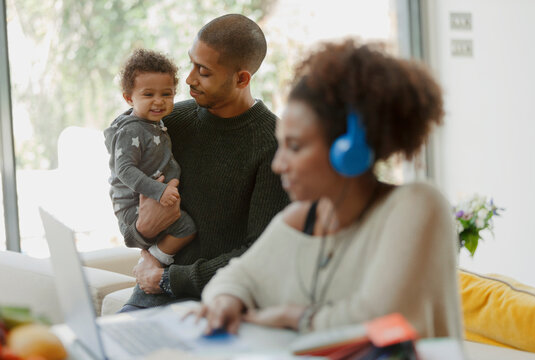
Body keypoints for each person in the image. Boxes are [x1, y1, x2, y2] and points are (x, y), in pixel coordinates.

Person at [199, 40, 463, 339]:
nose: (279, 164)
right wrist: (227, 300)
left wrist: (292, 317)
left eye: (295, 147)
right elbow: (234, 278)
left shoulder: (417, 205)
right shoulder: (303, 217)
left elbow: (381, 321)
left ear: (348, 150)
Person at [119, 14, 290, 311]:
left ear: (241, 78)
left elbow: (262, 253)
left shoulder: (275, 144)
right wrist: (141, 233)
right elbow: (122, 184)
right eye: (191, 63)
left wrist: (168, 279)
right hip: (151, 292)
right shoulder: (167, 122)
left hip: (220, 301)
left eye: (204, 71)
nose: (189, 79)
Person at [104, 49, 196, 267]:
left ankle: (154, 259)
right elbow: (124, 170)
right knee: (186, 229)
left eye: (166, 94)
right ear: (129, 98)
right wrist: (159, 191)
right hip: (133, 205)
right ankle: (153, 260)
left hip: (152, 199)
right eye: (148, 95)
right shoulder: (131, 130)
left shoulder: (153, 123)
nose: (158, 101)